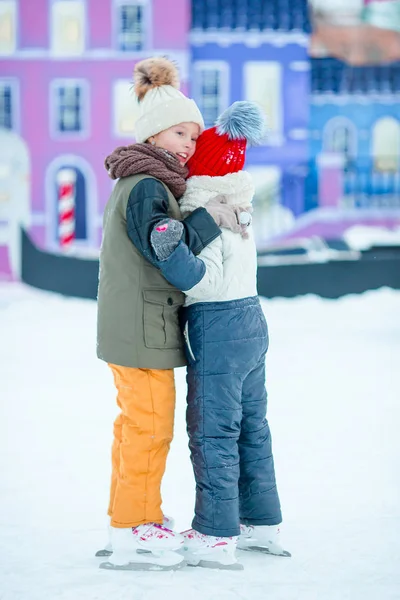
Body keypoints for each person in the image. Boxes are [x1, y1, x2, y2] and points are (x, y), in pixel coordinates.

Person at [96, 57, 246, 571]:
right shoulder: (146, 187)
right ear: (153, 134)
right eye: (181, 133)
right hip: (142, 328)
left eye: (193, 134)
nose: (188, 143)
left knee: (135, 425)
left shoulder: (148, 183)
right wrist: (209, 218)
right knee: (149, 427)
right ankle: (137, 524)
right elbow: (167, 246)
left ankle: (126, 520)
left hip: (138, 325)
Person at [150, 102, 290, 570]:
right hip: (252, 321)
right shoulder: (241, 206)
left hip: (219, 325)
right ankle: (261, 522)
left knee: (214, 432)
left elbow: (202, 280)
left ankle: (214, 534)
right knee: (253, 427)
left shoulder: (206, 210)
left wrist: (172, 251)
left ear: (201, 170)